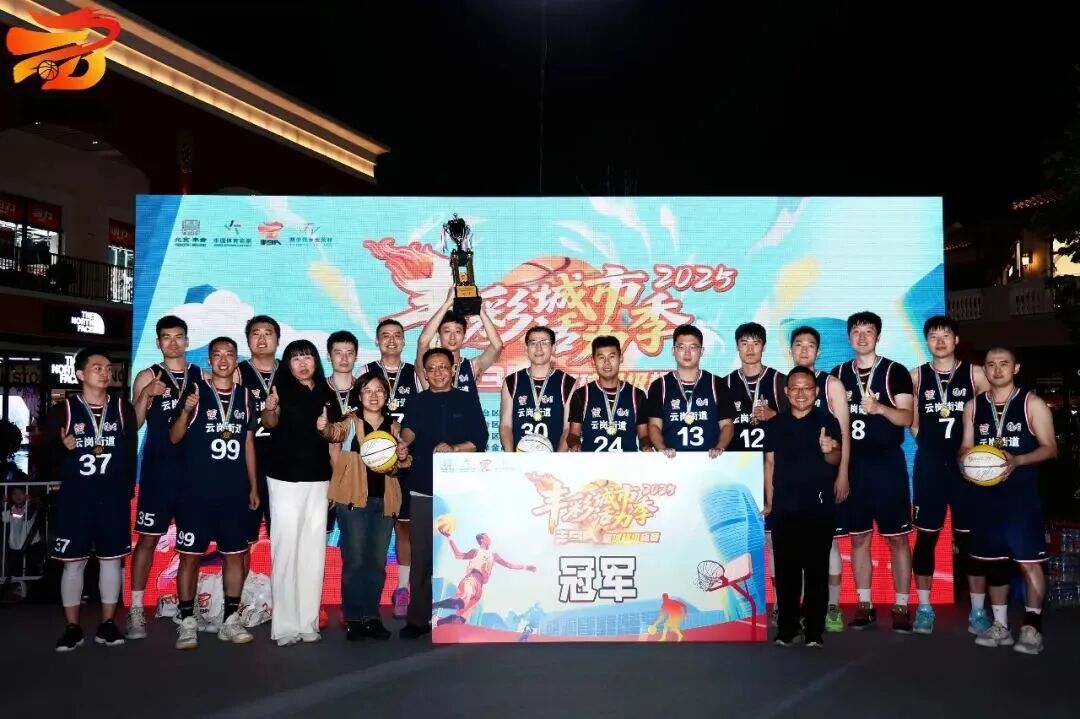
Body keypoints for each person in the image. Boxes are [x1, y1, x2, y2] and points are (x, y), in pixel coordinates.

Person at [963, 347, 1056, 654]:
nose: (997, 369)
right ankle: (1001, 625)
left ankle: (1032, 626)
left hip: (1021, 497)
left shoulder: (1032, 403)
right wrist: (967, 463)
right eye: (991, 364)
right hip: (985, 496)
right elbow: (965, 447)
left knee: (1029, 562)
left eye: (1004, 364)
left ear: (1016, 368)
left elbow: (1050, 448)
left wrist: (1018, 461)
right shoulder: (973, 406)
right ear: (984, 370)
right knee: (994, 564)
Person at [169, 337, 259, 649]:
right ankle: (187, 621)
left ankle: (230, 620)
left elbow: (248, 444)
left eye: (229, 354)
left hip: (233, 493)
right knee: (189, 558)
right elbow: (174, 437)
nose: (223, 360)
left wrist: (253, 486)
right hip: (196, 493)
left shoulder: (245, 397)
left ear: (236, 360)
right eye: (217, 355)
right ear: (209, 360)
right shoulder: (194, 391)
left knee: (235, 556)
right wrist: (185, 411)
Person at [48, 347, 137, 651]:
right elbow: (44, 456)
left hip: (111, 499)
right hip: (77, 499)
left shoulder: (122, 408)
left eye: (108, 368)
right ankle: (72, 627)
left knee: (112, 561)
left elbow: (129, 454)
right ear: (80, 374)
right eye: (98, 367)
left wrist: (126, 492)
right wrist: (61, 448)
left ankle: (108, 623)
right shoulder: (64, 410)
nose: (105, 372)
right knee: (73, 564)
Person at [831, 311, 915, 632]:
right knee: (859, 538)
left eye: (868, 331)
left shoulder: (895, 371)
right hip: (853, 467)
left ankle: (901, 605)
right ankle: (864, 605)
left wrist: (879, 408)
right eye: (856, 331)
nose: (862, 337)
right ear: (849, 337)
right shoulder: (839, 374)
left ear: (878, 336)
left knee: (898, 539)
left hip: (887, 465)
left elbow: (907, 418)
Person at [396, 347, 489, 639]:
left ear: (452, 370)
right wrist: (403, 442)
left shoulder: (467, 400)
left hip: (459, 491)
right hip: (423, 486)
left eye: (443, 367)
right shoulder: (416, 401)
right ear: (425, 373)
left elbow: (480, 439)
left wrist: (454, 449)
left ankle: (459, 618)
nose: (437, 373)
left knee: (456, 557)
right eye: (431, 369)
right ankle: (418, 619)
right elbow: (409, 430)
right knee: (421, 555)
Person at [909, 315, 990, 635]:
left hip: (965, 466)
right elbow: (911, 419)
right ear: (927, 341)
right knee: (926, 537)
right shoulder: (916, 375)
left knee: (970, 539)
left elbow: (990, 413)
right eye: (933, 336)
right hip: (930, 465)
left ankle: (978, 611)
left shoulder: (975, 374)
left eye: (946, 335)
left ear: (956, 340)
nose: (940, 341)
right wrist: (927, 443)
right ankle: (924, 608)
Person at [260, 339, 343, 646]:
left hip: (319, 480)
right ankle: (284, 626)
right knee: (285, 550)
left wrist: (337, 481)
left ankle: (308, 623)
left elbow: (334, 441)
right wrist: (270, 408)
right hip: (284, 480)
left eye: (307, 357)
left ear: (316, 361)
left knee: (313, 552)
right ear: (288, 364)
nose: (303, 363)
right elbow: (269, 422)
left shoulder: (327, 393)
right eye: (296, 358)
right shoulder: (280, 388)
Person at [320, 371, 410, 641]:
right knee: (355, 560)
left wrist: (402, 455)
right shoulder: (350, 422)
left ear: (386, 396)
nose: (373, 396)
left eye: (379, 391)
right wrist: (324, 427)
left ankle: (372, 616)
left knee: (377, 562)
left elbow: (402, 465)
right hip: (353, 501)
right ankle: (353, 617)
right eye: (367, 391)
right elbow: (333, 432)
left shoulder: (395, 428)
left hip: (385, 502)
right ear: (359, 396)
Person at [127, 316, 201, 639]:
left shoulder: (202, 376)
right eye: (166, 337)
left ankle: (187, 612)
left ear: (187, 341)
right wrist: (146, 395)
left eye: (178, 336)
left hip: (193, 474)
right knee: (147, 540)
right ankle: (136, 610)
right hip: (158, 472)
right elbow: (133, 425)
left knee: (191, 547)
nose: (173, 342)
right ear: (158, 343)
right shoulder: (148, 375)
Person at [764, 366, 843, 647]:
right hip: (784, 508)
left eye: (806, 388)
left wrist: (830, 449)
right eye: (795, 388)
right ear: (786, 392)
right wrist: (770, 501)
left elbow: (836, 459)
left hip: (818, 508)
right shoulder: (776, 424)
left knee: (816, 572)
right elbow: (770, 463)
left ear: (816, 392)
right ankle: (787, 629)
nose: (801, 393)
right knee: (786, 572)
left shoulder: (827, 421)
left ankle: (813, 631)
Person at [360, 319, 422, 620]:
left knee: (406, 526)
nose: (392, 341)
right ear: (377, 341)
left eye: (397, 336)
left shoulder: (415, 373)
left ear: (404, 341)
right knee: (377, 528)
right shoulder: (366, 371)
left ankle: (404, 588)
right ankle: (363, 597)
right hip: (374, 464)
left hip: (406, 459)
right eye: (385, 336)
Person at [790, 325, 851, 632]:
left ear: (818, 351)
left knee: (828, 545)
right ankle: (803, 607)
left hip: (826, 479)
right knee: (796, 548)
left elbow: (845, 434)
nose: (804, 350)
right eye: (799, 344)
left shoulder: (831, 384)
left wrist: (842, 474)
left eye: (810, 345)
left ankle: (833, 607)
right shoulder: (787, 383)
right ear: (790, 350)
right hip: (794, 483)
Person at [725, 322, 787, 619]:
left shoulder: (779, 381)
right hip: (738, 475)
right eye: (744, 343)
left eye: (755, 343)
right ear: (737, 347)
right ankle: (743, 605)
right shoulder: (724, 384)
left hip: (773, 472)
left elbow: (797, 423)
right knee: (740, 542)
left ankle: (781, 604)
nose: (750, 349)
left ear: (763, 346)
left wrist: (774, 415)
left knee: (775, 542)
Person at [646, 324, 736, 457]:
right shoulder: (660, 386)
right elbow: (654, 425)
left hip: (710, 462)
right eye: (681, 347)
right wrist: (662, 449)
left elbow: (727, 425)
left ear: (702, 351)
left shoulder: (717, 384)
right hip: (672, 461)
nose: (687, 353)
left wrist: (719, 448)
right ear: (673, 351)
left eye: (693, 347)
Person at [431, 531, 536, 626]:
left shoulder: (493, 555)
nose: (489, 539)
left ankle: (437, 622)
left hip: (479, 587)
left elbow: (508, 564)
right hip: (471, 579)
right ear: (482, 540)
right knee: (461, 603)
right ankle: (433, 605)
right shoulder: (476, 551)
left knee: (460, 620)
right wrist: (449, 537)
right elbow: (458, 555)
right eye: (487, 537)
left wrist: (525, 567)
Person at [237, 315, 280, 547]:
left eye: (268, 333)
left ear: (278, 340)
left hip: (282, 467)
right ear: (247, 340)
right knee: (243, 539)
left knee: (282, 537)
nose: (262, 339)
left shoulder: (289, 372)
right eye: (256, 334)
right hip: (245, 467)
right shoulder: (236, 373)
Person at [414, 287, 504, 397]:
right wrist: (447, 303)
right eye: (447, 331)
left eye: (457, 331)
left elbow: (497, 345)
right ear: (438, 334)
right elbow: (422, 342)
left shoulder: (472, 367)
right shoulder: (429, 365)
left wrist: (478, 307)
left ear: (464, 336)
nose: (452, 337)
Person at [566, 336, 650, 452]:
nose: (607, 363)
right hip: (591, 462)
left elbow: (643, 435)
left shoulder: (637, 395)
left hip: (627, 462)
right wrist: (575, 444)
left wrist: (646, 446)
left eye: (612, 357)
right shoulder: (581, 394)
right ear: (593, 361)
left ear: (621, 358)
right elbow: (574, 433)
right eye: (601, 357)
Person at [500, 326, 575, 451]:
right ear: (526, 348)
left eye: (544, 343)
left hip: (554, 458)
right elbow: (506, 426)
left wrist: (558, 459)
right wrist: (511, 457)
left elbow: (568, 428)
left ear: (553, 348)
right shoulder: (512, 381)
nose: (538, 348)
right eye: (533, 343)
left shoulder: (567, 382)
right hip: (520, 457)